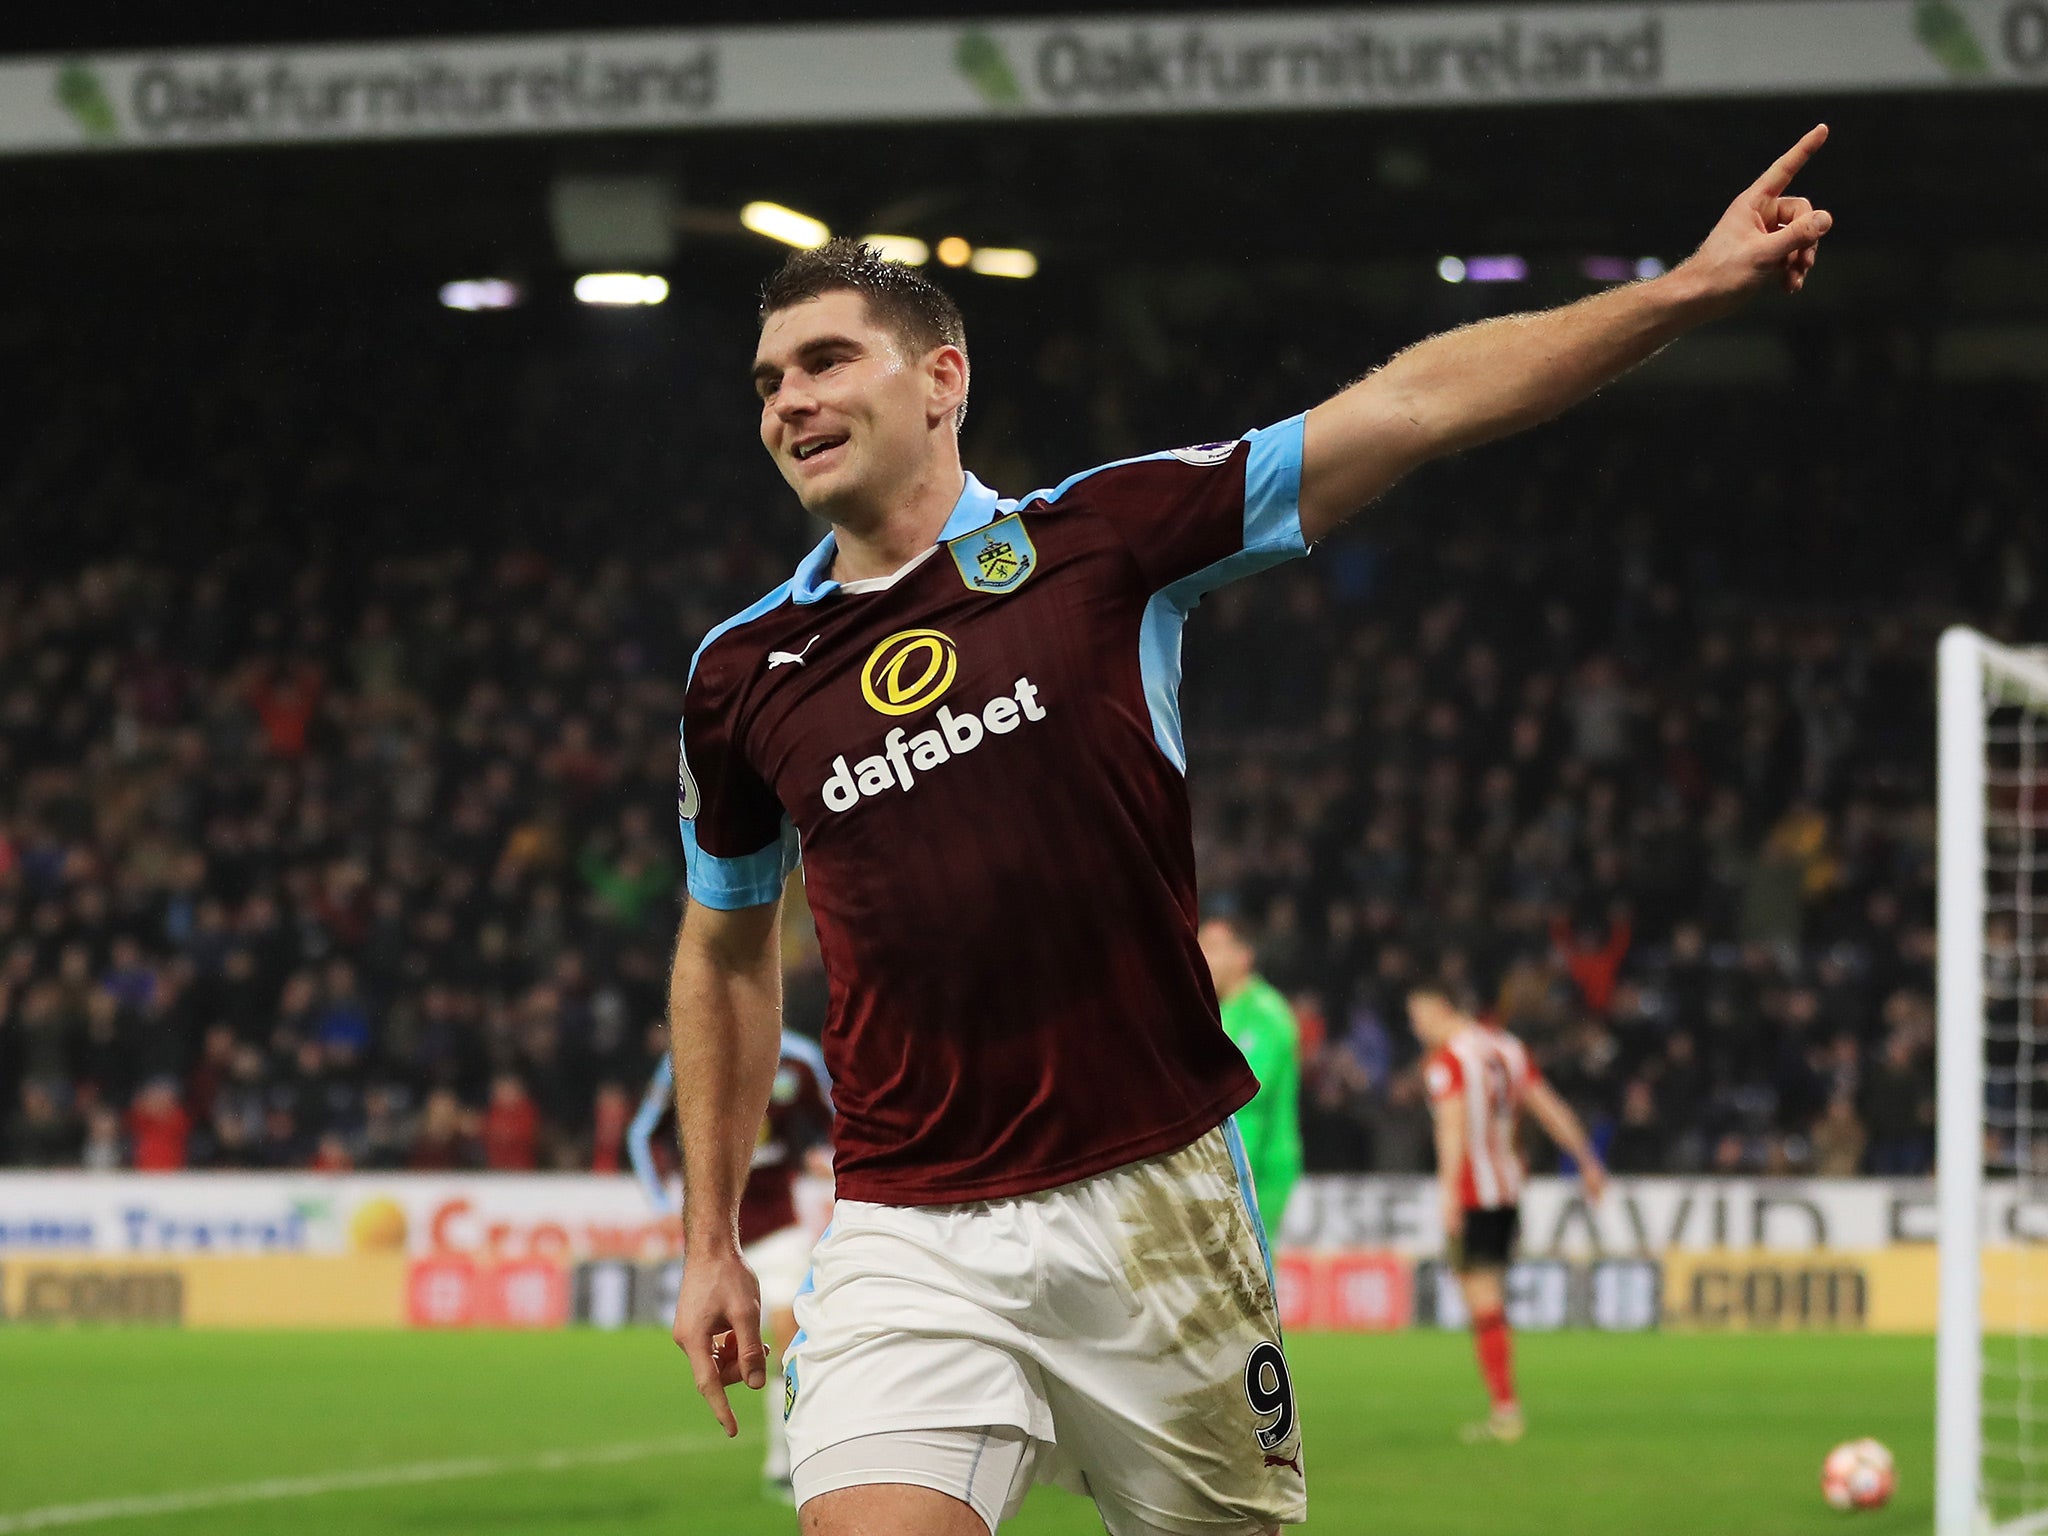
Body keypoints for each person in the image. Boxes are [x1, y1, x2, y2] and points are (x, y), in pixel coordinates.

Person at [669, 126, 1832, 1536]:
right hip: (906, 1222)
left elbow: (1409, 407)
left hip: (1153, 1203)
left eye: (827, 360)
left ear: (941, 379)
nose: (789, 400)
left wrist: (1682, 292)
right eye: (769, 381)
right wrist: (710, 1239)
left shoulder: (1102, 546)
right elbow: (727, 949)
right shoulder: (742, 675)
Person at [632, 1033, 831, 1503]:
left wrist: (826, 1156)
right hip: (715, 1237)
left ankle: (784, 1465)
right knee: (727, 1354)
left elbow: (836, 1121)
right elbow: (643, 1133)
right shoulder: (687, 1057)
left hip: (779, 1229)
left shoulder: (798, 1061)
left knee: (787, 1342)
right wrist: (661, 1200)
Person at [1408, 981, 1607, 1444]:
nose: (1418, 1030)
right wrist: (1587, 1161)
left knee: (1482, 1299)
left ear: (1442, 1010)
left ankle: (1505, 1409)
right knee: (1489, 1295)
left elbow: (1452, 1130)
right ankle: (1505, 1407)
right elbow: (1548, 1108)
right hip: (1508, 1190)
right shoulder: (1508, 1048)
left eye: (1419, 1018)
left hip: (1474, 1193)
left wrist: (1449, 1196)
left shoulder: (1448, 1062)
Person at [1198, 914, 1304, 1247]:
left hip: (1258, 1167)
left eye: (1213, 947)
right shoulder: (1209, 1008)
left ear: (1243, 956)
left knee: (1251, 1272)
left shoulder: (1267, 1013)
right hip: (1214, 1166)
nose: (1200, 954)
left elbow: (1245, 1087)